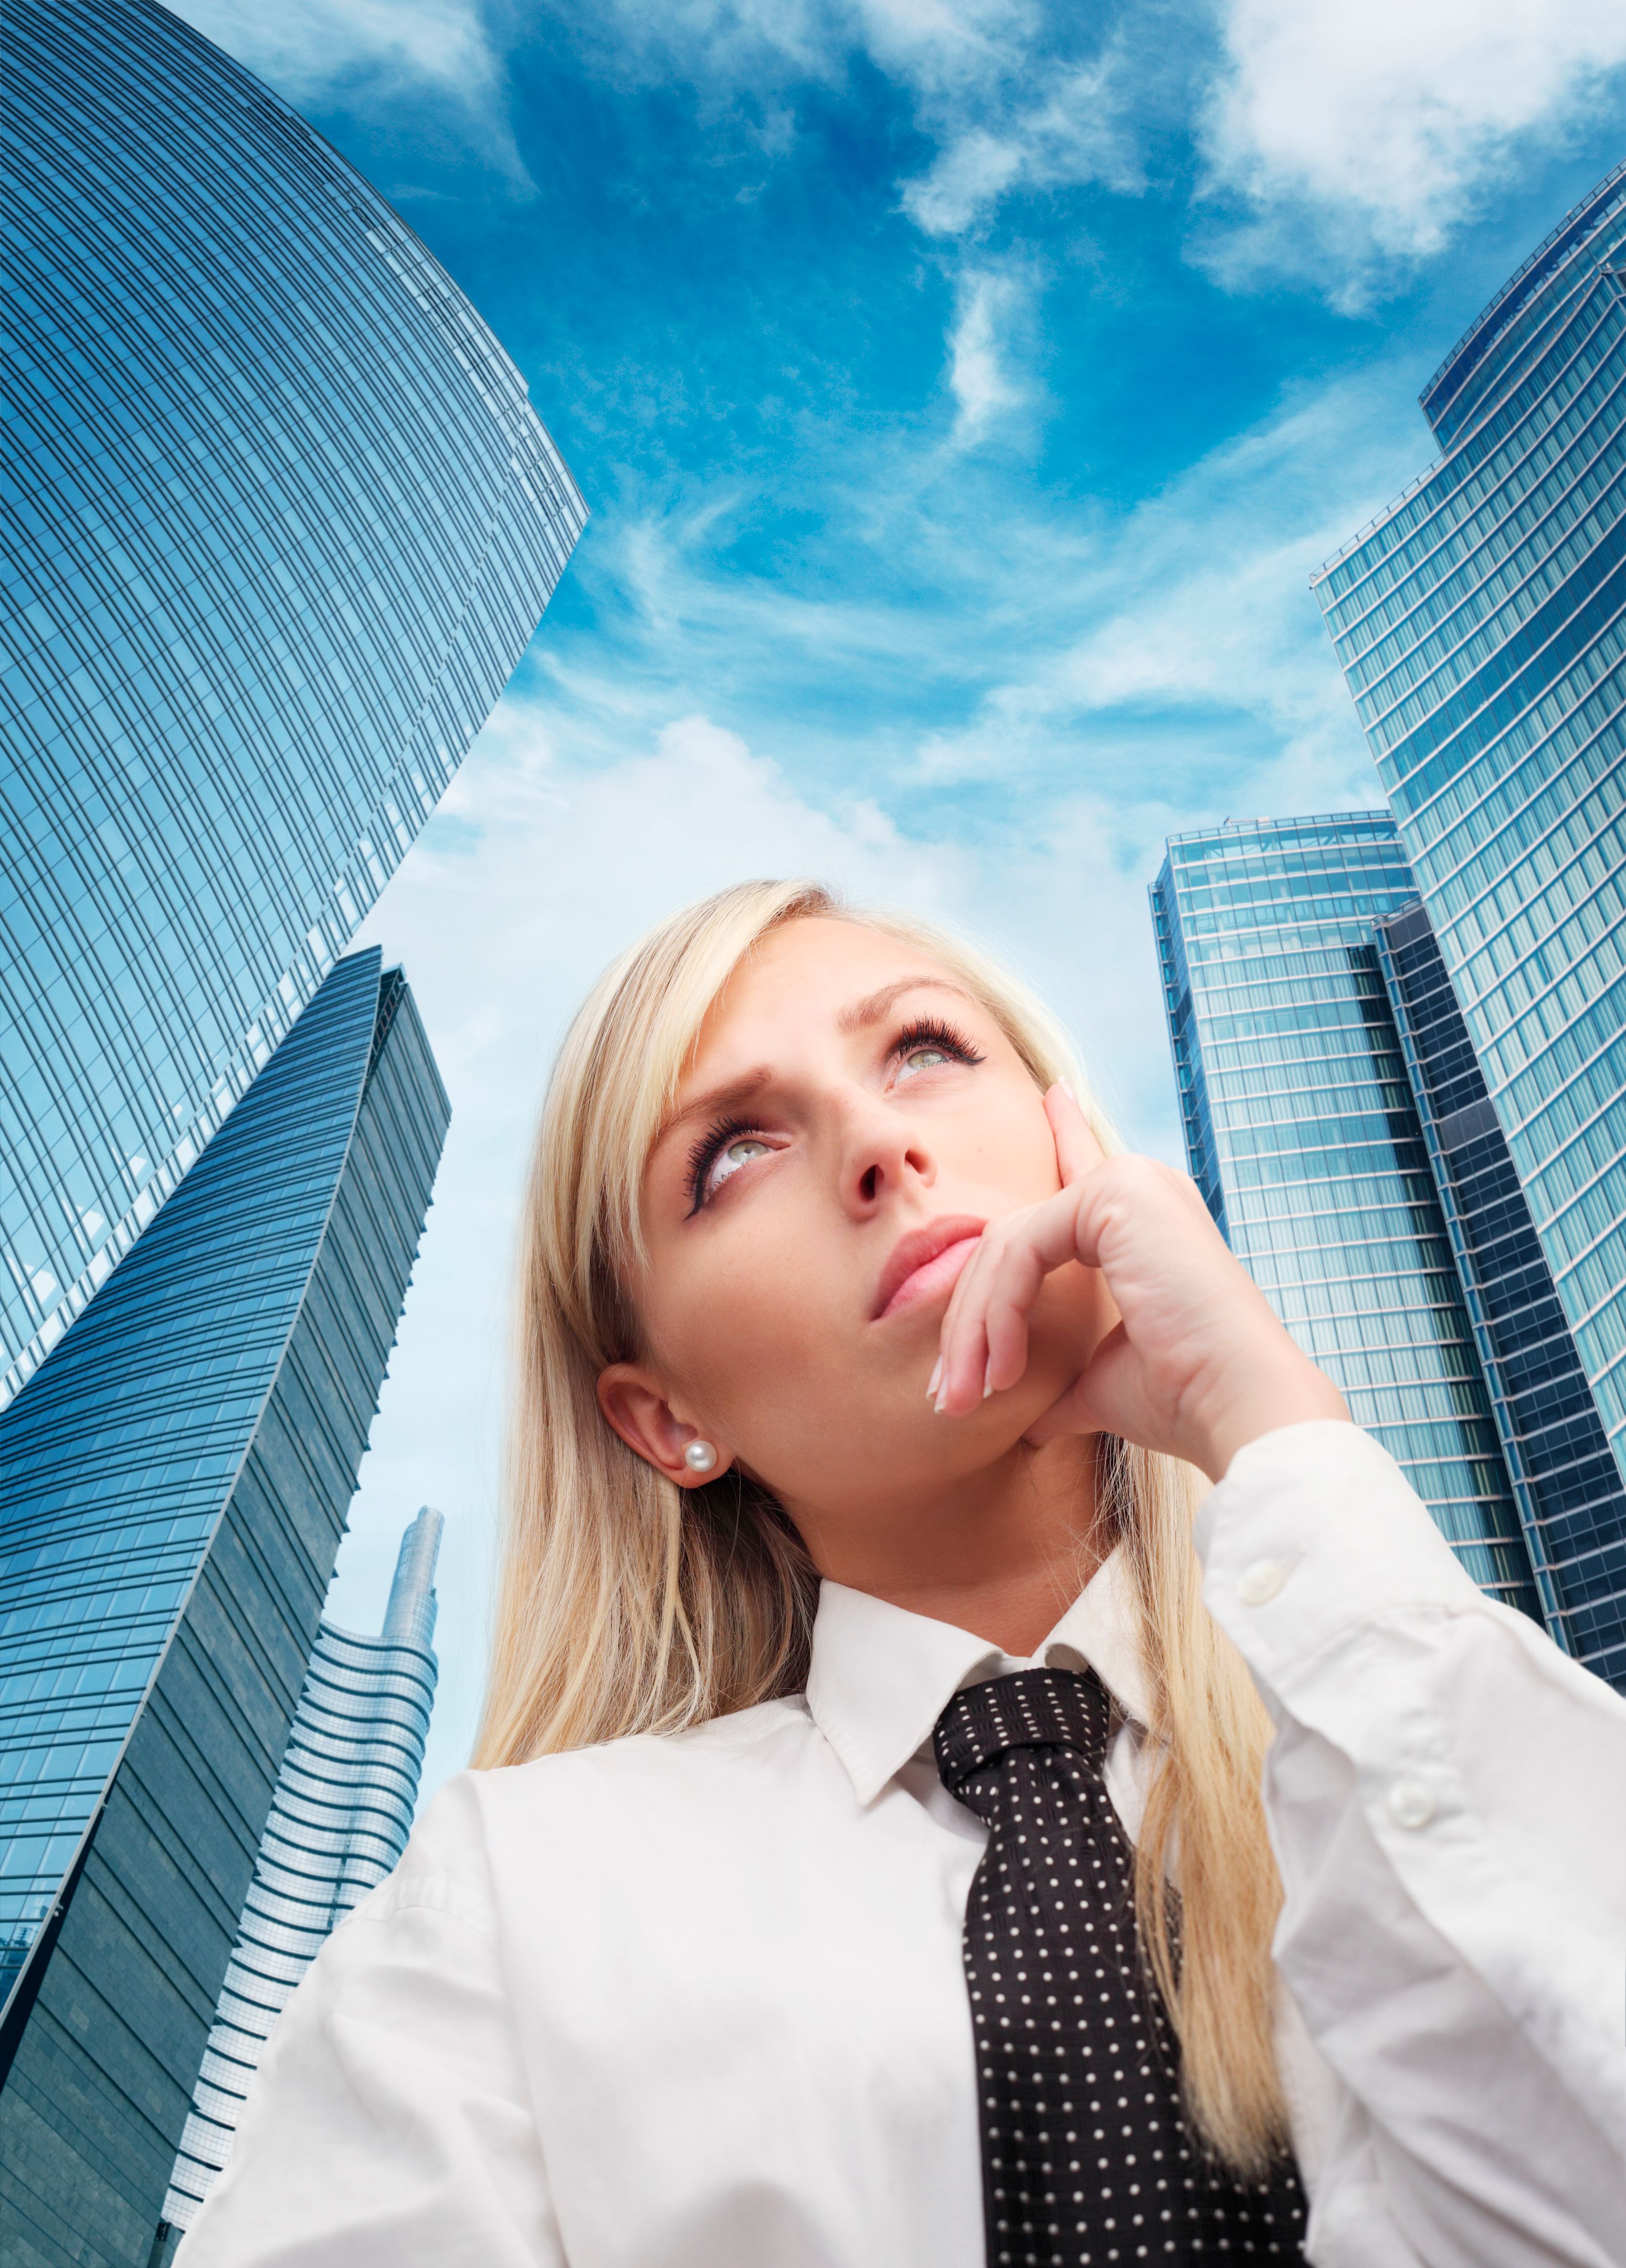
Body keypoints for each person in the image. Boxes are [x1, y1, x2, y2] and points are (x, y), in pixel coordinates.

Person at [181, 880, 1625, 2268]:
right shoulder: (514, 1905)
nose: (878, 1140)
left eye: (924, 1049)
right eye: (731, 1152)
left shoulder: (1403, 1752)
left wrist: (1277, 1439)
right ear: (669, 1419)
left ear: (1074, 1150)